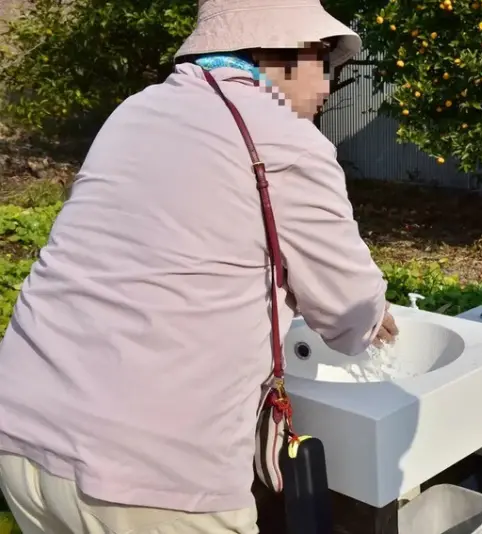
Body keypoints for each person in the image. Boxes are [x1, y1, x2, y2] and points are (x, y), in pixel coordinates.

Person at [0, 0, 397, 533]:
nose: (326, 87)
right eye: (324, 63)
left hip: (21, 427)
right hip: (149, 475)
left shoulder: (135, 111)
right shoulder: (282, 134)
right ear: (283, 51)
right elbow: (349, 313)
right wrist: (373, 317)